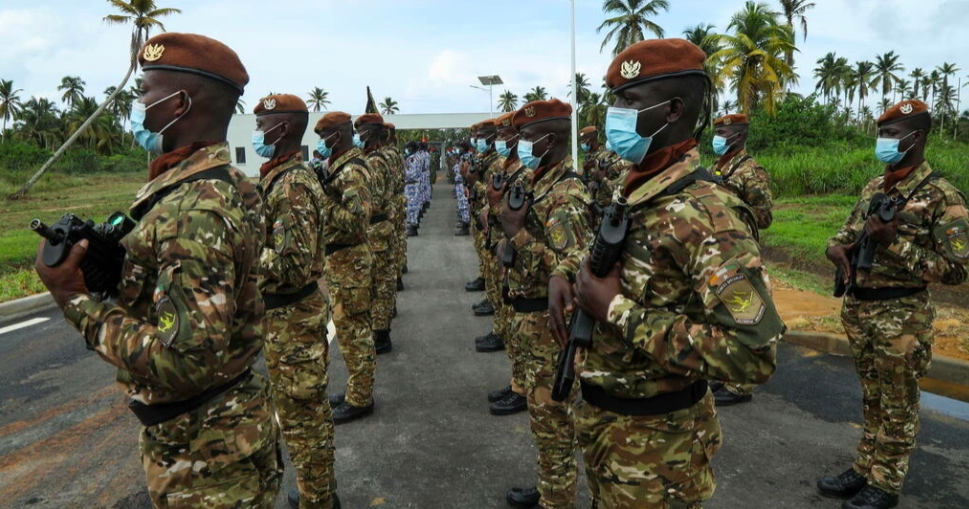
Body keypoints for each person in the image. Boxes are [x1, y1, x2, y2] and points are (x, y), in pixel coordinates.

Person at [34, 33, 283, 508]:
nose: (139, 104)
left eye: (145, 91)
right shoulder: (225, 183)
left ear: (178, 104)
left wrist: (75, 299)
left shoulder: (193, 209)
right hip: (226, 425)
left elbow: (185, 364)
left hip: (203, 453)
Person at [558, 39, 783, 508]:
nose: (614, 113)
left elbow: (752, 354)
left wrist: (616, 311)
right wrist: (567, 271)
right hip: (607, 432)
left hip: (661, 453)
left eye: (629, 101)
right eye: (614, 98)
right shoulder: (636, 187)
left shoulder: (708, 215)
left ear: (672, 110)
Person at [818, 99, 968, 509]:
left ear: (915, 138)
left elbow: (957, 272)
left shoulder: (943, 196)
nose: (882, 141)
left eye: (891, 134)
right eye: (881, 133)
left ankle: (886, 482)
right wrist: (837, 249)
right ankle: (866, 466)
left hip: (902, 317)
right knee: (872, 396)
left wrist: (894, 243)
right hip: (861, 309)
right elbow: (844, 232)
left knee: (899, 403)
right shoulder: (874, 186)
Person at [499, 99, 592, 509]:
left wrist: (517, 236)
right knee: (544, 420)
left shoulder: (567, 193)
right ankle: (551, 487)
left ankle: (557, 500)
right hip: (528, 319)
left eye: (527, 136)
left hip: (547, 323)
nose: (520, 144)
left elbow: (569, 271)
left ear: (550, 139)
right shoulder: (540, 183)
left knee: (554, 419)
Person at [252, 94, 339, 509]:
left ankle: (317, 498)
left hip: (294, 320)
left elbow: (293, 266)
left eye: (260, 125)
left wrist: (245, 250)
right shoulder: (280, 177)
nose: (256, 134)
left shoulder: (292, 185)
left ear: (282, 129)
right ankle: (317, 491)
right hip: (285, 320)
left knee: (304, 418)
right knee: (302, 414)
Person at [708, 112, 775, 406]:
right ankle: (726, 373)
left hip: (741, 253)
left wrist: (732, 202)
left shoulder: (751, 171)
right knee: (723, 316)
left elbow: (765, 216)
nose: (718, 140)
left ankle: (741, 385)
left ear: (738, 136)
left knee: (744, 315)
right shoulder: (715, 167)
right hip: (718, 251)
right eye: (717, 134)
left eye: (723, 135)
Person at [314, 111, 377, 424]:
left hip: (350, 259)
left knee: (354, 331)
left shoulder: (352, 169)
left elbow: (356, 220)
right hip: (342, 260)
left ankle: (361, 397)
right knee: (349, 329)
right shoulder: (339, 166)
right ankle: (357, 388)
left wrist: (323, 199)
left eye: (322, 136)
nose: (319, 143)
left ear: (335, 136)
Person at [483, 111, 529, 415]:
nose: (500, 140)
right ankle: (518, 382)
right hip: (508, 255)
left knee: (523, 329)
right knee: (514, 325)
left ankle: (523, 387)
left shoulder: (525, 174)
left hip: (524, 263)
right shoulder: (505, 167)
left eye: (504, 135)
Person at [354, 113, 396, 355]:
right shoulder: (372, 158)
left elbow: (376, 200)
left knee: (379, 284)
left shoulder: (375, 162)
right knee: (379, 281)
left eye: (360, 133)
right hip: (378, 229)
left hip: (377, 229)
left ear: (368, 135)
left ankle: (381, 335)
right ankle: (380, 330)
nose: (357, 137)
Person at [453, 140, 474, 236]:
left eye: (459, 148)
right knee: (462, 203)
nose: (457, 150)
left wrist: (465, 183)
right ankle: (464, 222)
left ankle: (465, 227)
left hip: (463, 183)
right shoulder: (464, 156)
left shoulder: (467, 156)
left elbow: (466, 171)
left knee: (464, 204)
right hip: (460, 182)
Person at [405, 141, 422, 234]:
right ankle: (413, 223)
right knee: (414, 205)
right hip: (414, 183)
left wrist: (404, 172)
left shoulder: (412, 159)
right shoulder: (417, 157)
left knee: (411, 206)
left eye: (408, 148)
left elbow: (412, 173)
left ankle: (413, 227)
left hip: (412, 184)